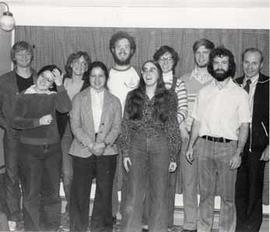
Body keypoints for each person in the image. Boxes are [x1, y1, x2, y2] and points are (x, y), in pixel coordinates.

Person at [186, 47, 251, 232]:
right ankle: (203, 229)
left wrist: (238, 152)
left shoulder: (240, 94)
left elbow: (245, 125)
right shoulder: (204, 92)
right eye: (216, 62)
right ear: (211, 65)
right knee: (205, 194)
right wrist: (191, 146)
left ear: (230, 66)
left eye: (224, 63)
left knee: (228, 197)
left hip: (228, 148)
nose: (220, 66)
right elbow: (197, 121)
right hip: (204, 147)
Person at [119, 60, 180, 232]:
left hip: (161, 145)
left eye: (152, 70)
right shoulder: (132, 96)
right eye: (144, 70)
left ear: (159, 74)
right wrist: (125, 152)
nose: (148, 73)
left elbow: (172, 125)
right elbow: (126, 124)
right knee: (133, 193)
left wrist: (173, 155)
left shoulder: (169, 97)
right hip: (136, 145)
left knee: (160, 193)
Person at [12, 65, 71, 231]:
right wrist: (37, 122)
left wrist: (60, 85)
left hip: (53, 151)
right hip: (29, 152)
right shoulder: (23, 96)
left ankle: (51, 227)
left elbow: (65, 108)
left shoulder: (54, 96)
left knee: (52, 192)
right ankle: (33, 228)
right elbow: (15, 122)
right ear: (37, 75)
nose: (45, 81)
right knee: (31, 193)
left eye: (50, 80)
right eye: (43, 76)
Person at [69, 61, 122, 232]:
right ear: (88, 77)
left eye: (101, 76)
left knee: (104, 193)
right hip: (83, 149)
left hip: (107, 151)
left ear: (106, 78)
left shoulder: (114, 101)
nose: (97, 79)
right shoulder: (79, 98)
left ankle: (101, 228)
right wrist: (91, 144)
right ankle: (78, 228)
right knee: (80, 193)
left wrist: (104, 143)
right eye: (93, 75)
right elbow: (75, 126)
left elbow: (117, 127)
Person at [142, 45, 187, 231]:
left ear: (174, 62)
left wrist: (166, 124)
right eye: (162, 59)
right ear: (156, 62)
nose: (166, 62)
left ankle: (165, 223)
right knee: (147, 180)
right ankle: (146, 221)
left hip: (168, 137)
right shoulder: (148, 80)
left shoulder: (179, 83)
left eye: (169, 59)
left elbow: (183, 110)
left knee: (167, 182)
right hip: (148, 139)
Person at [0, 41, 37, 231]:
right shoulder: (4, 80)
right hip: (13, 137)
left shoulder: (40, 78)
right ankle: (13, 217)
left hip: (35, 137)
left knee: (31, 177)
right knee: (12, 176)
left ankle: (30, 216)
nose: (24, 57)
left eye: (27, 53)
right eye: (20, 54)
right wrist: (7, 124)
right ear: (14, 57)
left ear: (32, 56)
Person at [180, 38, 214, 232]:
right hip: (187, 138)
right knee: (189, 183)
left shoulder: (217, 81)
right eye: (198, 53)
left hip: (208, 140)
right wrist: (182, 129)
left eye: (205, 53)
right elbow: (177, 108)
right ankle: (189, 223)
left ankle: (204, 225)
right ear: (194, 55)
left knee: (207, 185)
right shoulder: (184, 80)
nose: (201, 56)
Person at [235, 48, 269, 232]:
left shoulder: (268, 84)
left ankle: (252, 228)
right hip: (236, 146)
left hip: (258, 146)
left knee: (254, 190)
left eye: (254, 63)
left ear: (261, 64)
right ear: (242, 63)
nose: (250, 66)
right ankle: (240, 227)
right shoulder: (235, 84)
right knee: (239, 190)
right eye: (246, 62)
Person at [107, 31, 140, 222]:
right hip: (110, 134)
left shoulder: (138, 76)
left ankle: (128, 212)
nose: (122, 50)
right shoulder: (106, 75)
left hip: (132, 133)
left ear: (132, 51)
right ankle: (111, 212)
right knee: (110, 175)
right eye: (119, 46)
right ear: (113, 49)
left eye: (126, 47)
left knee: (130, 175)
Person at [59, 51, 91, 216]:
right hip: (64, 132)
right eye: (76, 62)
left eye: (84, 63)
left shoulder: (90, 84)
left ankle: (77, 208)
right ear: (70, 64)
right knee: (67, 172)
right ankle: (71, 206)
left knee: (80, 173)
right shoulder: (61, 81)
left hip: (82, 133)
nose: (80, 65)